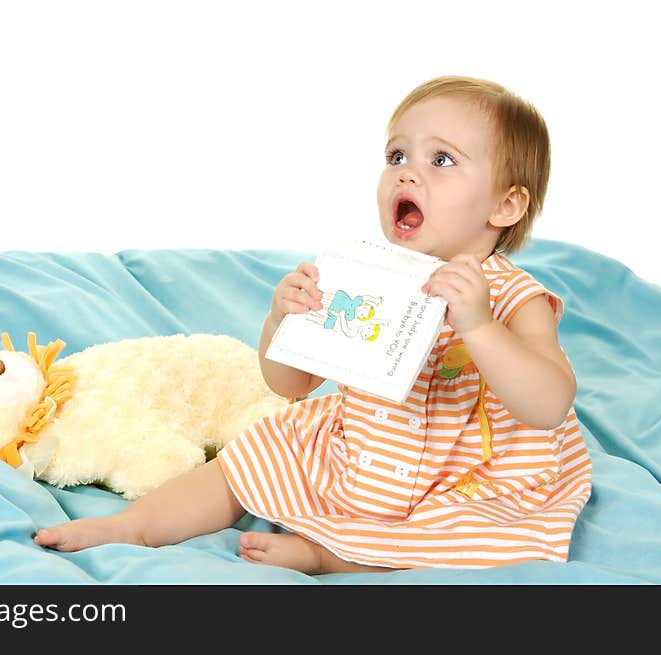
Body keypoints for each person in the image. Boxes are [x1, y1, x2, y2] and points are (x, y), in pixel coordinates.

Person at [34, 75, 593, 572]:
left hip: (463, 471)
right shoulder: (371, 277)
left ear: (506, 206)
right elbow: (291, 385)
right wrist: (283, 319)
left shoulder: (515, 296)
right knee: (255, 453)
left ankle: (339, 557)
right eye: (397, 156)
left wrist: (480, 327)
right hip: (365, 445)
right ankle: (135, 526)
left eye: (441, 161)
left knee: (468, 533)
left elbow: (548, 403)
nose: (408, 175)